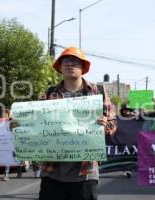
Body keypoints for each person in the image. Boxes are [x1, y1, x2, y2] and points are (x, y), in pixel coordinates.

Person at [37, 47, 117, 200]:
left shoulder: (97, 92)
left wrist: (105, 126)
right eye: (65, 61)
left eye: (75, 61)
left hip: (85, 174)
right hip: (51, 172)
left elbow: (112, 122)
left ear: (83, 67)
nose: (70, 64)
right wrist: (20, 125)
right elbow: (36, 124)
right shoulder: (48, 93)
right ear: (60, 67)